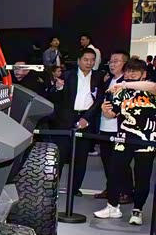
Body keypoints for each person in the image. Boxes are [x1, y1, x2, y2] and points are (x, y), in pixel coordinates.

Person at [94, 59, 156, 224]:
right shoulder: (120, 91)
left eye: (134, 71)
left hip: (146, 141)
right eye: (128, 71)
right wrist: (105, 111)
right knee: (115, 172)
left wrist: (124, 84)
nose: (130, 74)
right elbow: (111, 114)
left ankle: (137, 210)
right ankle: (112, 206)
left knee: (142, 176)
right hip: (124, 138)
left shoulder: (150, 89)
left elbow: (153, 87)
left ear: (144, 74)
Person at [49, 47, 105, 196]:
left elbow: (99, 100)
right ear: (79, 60)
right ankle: (52, 188)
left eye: (92, 60)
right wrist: (58, 88)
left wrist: (87, 118)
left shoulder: (99, 76)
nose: (89, 63)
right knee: (60, 156)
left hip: (86, 119)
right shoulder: (67, 75)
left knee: (81, 157)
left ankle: (74, 189)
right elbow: (53, 96)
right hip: (65, 120)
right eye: (86, 60)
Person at [94, 51, 134, 203]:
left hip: (120, 128)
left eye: (116, 61)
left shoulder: (128, 83)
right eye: (110, 61)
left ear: (125, 63)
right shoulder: (108, 81)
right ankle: (111, 189)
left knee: (121, 163)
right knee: (107, 161)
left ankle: (126, 192)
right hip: (105, 127)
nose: (112, 64)